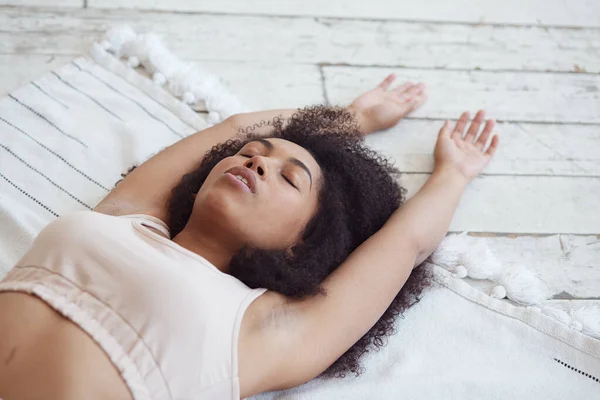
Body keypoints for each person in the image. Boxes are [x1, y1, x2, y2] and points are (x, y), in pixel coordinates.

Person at [0, 74, 499, 399]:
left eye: (288, 178)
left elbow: (406, 242)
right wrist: (353, 119)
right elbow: (237, 128)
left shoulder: (261, 329)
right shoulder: (128, 215)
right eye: (252, 155)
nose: (256, 161)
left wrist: (453, 174)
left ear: (301, 244)